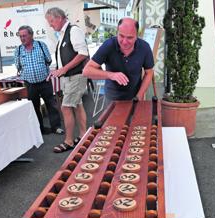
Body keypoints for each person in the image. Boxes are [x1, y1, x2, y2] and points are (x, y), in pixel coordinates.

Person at [45, 7, 88, 153]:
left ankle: (69, 141)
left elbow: (83, 53)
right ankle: (83, 135)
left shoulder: (73, 30)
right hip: (70, 77)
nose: (50, 25)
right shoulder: (64, 33)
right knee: (77, 105)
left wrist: (63, 69)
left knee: (66, 107)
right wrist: (58, 70)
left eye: (51, 21)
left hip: (75, 76)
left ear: (59, 17)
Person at [82, 17, 154, 103]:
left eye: (130, 38)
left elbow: (149, 73)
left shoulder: (144, 47)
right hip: (112, 97)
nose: (124, 41)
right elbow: (86, 71)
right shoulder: (108, 45)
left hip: (135, 95)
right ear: (117, 32)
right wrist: (111, 75)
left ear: (136, 36)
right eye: (121, 36)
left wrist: (139, 95)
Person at [14, 25, 63, 135]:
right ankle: (39, 129)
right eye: (20, 36)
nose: (22, 38)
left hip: (44, 81)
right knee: (34, 107)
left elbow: (48, 60)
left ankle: (56, 127)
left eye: (24, 36)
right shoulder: (18, 50)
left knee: (51, 104)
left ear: (31, 35)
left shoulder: (41, 45)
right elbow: (18, 66)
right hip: (30, 84)